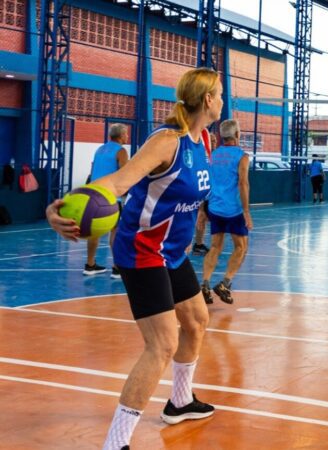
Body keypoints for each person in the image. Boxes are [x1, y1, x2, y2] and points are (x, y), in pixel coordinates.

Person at [46, 67, 222, 449]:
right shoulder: (167, 142)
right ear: (208, 100)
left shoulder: (204, 140)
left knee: (196, 321)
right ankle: (116, 442)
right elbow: (117, 183)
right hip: (142, 249)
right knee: (162, 344)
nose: (223, 101)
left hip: (172, 252)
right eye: (220, 94)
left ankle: (180, 402)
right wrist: (66, 205)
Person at [201, 119, 252, 304]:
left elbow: (206, 182)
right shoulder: (242, 156)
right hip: (234, 210)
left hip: (215, 207)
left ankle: (205, 284)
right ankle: (225, 283)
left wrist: (203, 209)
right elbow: (243, 183)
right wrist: (246, 211)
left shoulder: (213, 155)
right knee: (241, 247)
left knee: (215, 246)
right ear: (237, 134)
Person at [85, 123, 129, 277]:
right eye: (126, 134)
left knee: (94, 231)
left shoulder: (100, 149)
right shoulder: (121, 151)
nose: (127, 136)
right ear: (121, 135)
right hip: (111, 197)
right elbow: (125, 174)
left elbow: (92, 172)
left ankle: (89, 265)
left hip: (94, 194)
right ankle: (117, 268)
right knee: (115, 231)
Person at [191, 133, 217, 256]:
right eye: (212, 141)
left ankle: (198, 243)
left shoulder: (214, 156)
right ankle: (197, 244)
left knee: (203, 217)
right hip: (198, 190)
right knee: (200, 215)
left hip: (207, 191)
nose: (214, 143)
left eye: (215, 141)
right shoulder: (201, 154)